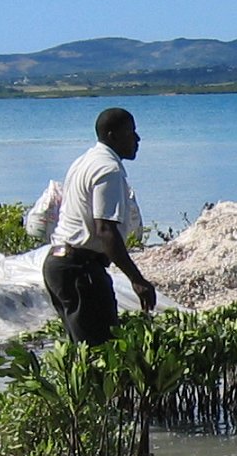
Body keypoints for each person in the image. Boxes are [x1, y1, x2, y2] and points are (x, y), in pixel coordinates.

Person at [44, 106, 155, 343]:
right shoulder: (109, 170)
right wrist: (137, 280)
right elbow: (105, 230)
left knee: (82, 350)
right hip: (79, 269)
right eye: (130, 132)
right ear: (112, 136)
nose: (137, 139)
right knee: (101, 350)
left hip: (59, 264)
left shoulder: (84, 161)